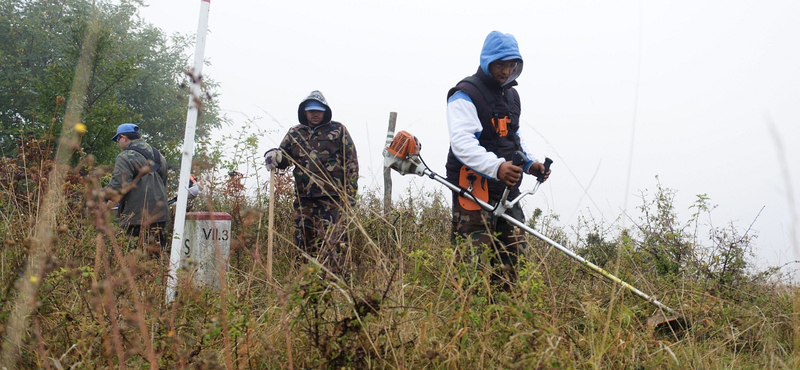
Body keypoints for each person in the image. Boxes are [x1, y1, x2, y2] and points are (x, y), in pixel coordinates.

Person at [445, 31, 551, 291]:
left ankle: (504, 322)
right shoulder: (465, 94)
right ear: (487, 61)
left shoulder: (511, 97)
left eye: (512, 65)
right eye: (500, 64)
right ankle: (468, 324)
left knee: (513, 262)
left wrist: (529, 164)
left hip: (507, 193)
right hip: (473, 191)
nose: (506, 71)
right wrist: (497, 167)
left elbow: (513, 136)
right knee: (471, 268)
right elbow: (462, 143)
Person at [264, 90, 359, 270]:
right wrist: (275, 156)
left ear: (325, 111)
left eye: (319, 110)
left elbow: (351, 163)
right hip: (304, 200)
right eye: (311, 110)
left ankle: (336, 284)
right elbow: (284, 159)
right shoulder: (295, 133)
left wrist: (350, 195)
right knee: (303, 243)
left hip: (333, 200)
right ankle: (305, 282)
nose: (315, 114)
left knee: (335, 243)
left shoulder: (339, 131)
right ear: (305, 111)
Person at [105, 123, 170, 255]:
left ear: (123, 137)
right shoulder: (158, 156)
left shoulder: (125, 156)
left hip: (136, 217)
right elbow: (163, 182)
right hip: (160, 215)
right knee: (157, 256)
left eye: (118, 140)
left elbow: (118, 186)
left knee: (135, 257)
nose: (119, 144)